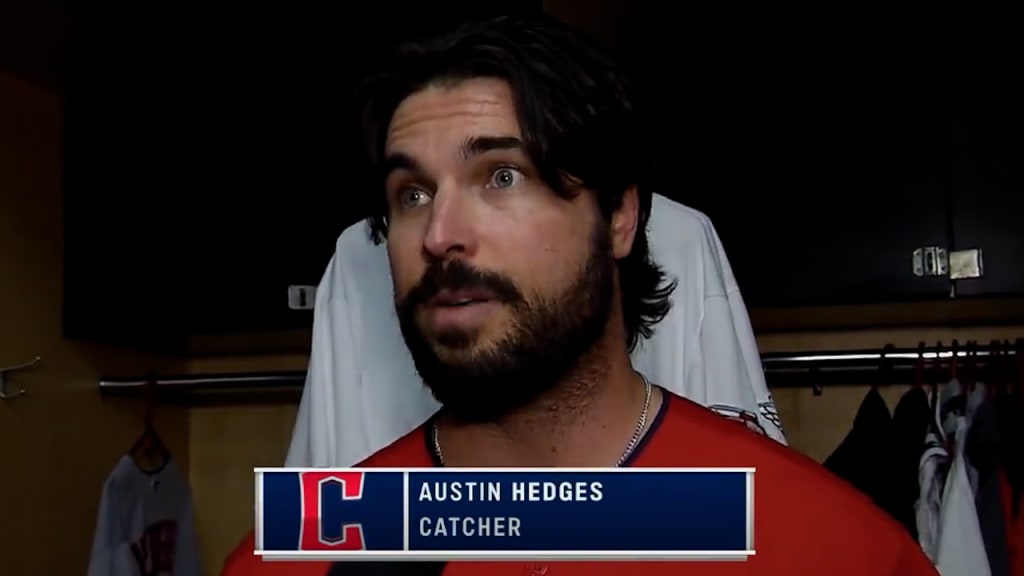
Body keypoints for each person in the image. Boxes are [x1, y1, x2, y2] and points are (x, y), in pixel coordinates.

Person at [222, 13, 938, 576]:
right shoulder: (300, 555)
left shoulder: (829, 546)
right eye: (410, 193)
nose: (438, 234)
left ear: (619, 215)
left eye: (502, 176)